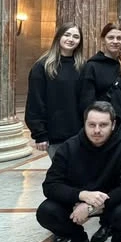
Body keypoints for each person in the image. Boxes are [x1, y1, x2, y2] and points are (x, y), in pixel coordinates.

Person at [36, 102, 121, 242]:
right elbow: (50, 185)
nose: (97, 130)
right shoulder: (69, 147)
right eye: (92, 125)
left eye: (103, 125)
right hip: (77, 200)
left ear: (113, 125)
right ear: (84, 124)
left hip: (111, 201)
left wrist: (91, 206)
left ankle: (118, 237)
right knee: (46, 212)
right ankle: (78, 239)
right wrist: (81, 195)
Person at [26, 22, 85, 160]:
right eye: (67, 35)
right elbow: (35, 101)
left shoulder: (83, 66)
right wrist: (40, 133)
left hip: (81, 134)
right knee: (63, 170)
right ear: (58, 37)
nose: (71, 39)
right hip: (56, 134)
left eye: (76, 36)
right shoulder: (42, 66)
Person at [80, 23, 121, 139]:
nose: (115, 41)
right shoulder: (92, 67)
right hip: (102, 130)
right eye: (111, 37)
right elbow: (87, 102)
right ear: (103, 40)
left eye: (119, 38)